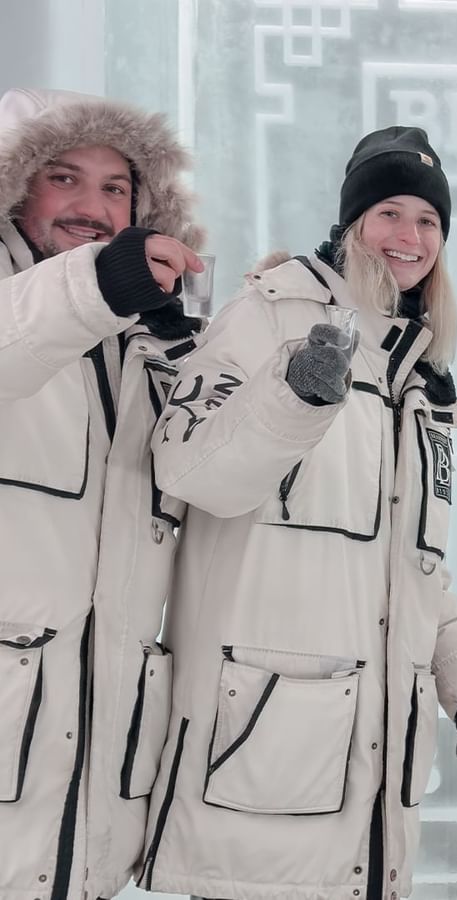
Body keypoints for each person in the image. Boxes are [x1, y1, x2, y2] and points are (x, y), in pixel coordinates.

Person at [139, 125, 457, 899]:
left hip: (368, 773)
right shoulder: (268, 314)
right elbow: (186, 466)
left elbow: (406, 567)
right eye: (390, 214)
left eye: (429, 221)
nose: (409, 238)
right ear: (352, 224)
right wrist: (294, 394)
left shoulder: (421, 372)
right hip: (263, 747)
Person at [0, 88, 204, 899]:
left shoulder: (151, 346)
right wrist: (102, 286)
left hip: (98, 767)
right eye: (64, 178)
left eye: (116, 188)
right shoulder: (41, 305)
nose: (92, 207)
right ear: (16, 187)